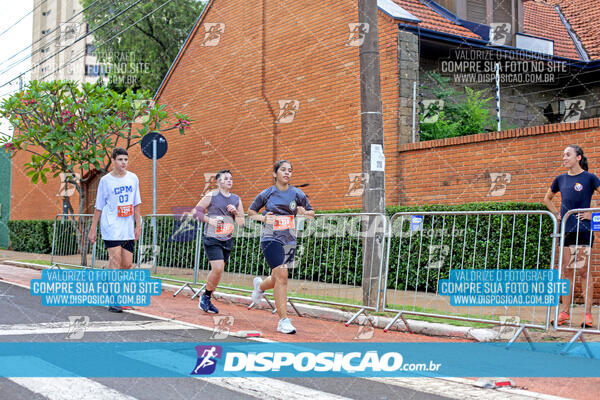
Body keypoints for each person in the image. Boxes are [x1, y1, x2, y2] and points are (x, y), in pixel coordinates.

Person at [248, 160, 314, 334]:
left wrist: (304, 212)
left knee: (278, 277)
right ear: (274, 173)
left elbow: (311, 212)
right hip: (271, 238)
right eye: (283, 170)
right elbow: (251, 212)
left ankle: (260, 287)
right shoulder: (267, 193)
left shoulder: (297, 193)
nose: (287, 173)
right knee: (282, 275)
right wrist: (263, 218)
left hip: (289, 239)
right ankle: (283, 320)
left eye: (290, 171)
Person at [544, 145, 600, 328]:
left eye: (567, 155)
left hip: (583, 231)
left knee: (583, 272)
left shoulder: (590, 178)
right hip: (566, 231)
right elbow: (547, 199)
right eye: (563, 155)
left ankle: (587, 315)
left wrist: (593, 214)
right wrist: (557, 214)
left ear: (578, 157)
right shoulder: (560, 179)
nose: (564, 158)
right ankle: (565, 313)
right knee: (566, 271)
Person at [89, 147, 142, 313]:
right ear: (113, 161)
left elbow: (136, 204)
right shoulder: (106, 181)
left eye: (126, 159)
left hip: (127, 228)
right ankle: (114, 299)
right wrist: (93, 229)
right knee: (116, 260)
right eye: (120, 159)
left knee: (127, 264)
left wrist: (138, 225)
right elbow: (98, 207)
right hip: (111, 226)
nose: (123, 162)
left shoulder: (133, 178)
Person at [189, 169, 244, 313]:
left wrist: (236, 212)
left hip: (227, 238)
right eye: (226, 178)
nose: (229, 180)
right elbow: (196, 212)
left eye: (231, 178)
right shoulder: (212, 195)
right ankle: (206, 298)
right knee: (218, 268)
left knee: (218, 272)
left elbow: (241, 222)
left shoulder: (237, 199)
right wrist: (211, 221)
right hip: (212, 237)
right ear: (219, 182)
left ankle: (206, 298)